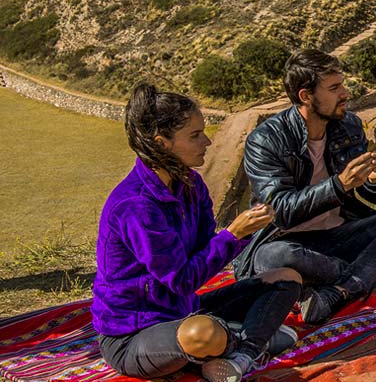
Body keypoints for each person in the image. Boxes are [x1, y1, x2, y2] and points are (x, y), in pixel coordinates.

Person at [93, 84, 302, 382]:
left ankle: (242, 350)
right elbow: (182, 280)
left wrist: (247, 230)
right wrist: (232, 234)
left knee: (286, 278)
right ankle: (248, 340)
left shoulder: (190, 185)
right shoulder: (134, 205)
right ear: (161, 143)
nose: (207, 141)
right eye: (195, 135)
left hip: (185, 309)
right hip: (134, 335)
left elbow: (205, 253)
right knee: (203, 334)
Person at [233, 49, 376, 325]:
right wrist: (338, 185)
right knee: (272, 257)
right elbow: (280, 211)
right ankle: (369, 274)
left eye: (342, 85)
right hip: (289, 242)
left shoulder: (347, 125)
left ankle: (337, 292)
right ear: (306, 96)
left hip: (339, 234)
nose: (345, 94)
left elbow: (370, 196)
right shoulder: (265, 140)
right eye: (334, 88)